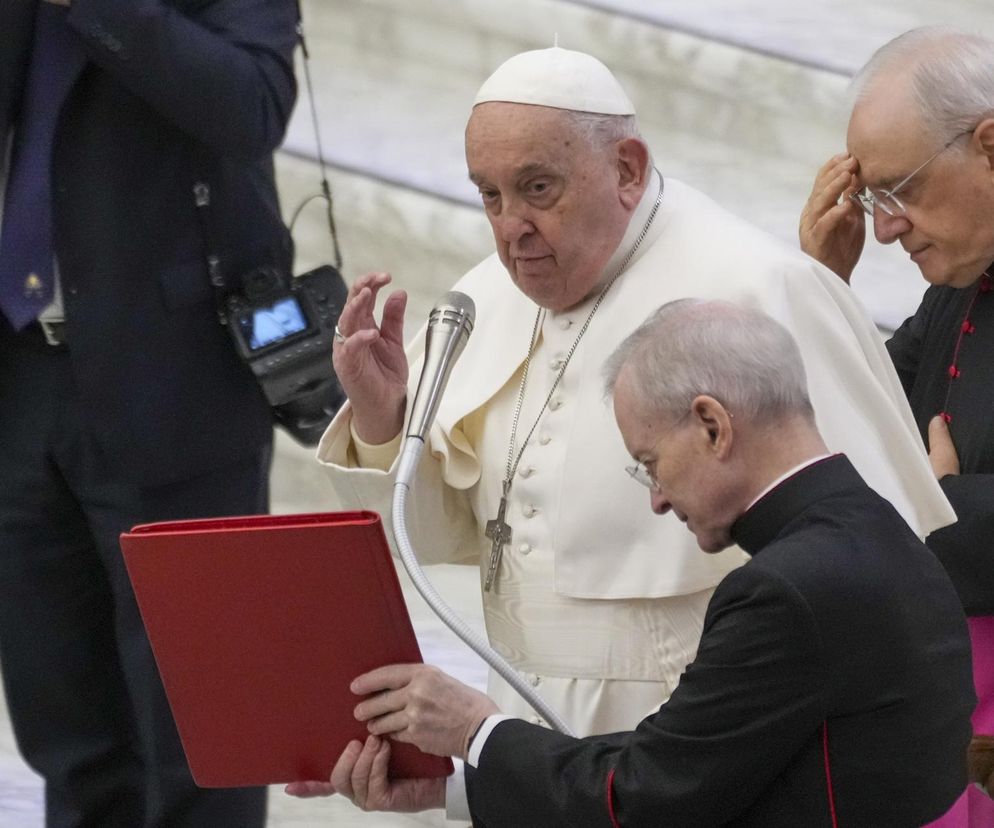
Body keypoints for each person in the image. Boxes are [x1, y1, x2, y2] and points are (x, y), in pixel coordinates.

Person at [319, 45, 953, 753]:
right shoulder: (482, 300)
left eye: (537, 188)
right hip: (521, 732)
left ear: (627, 169)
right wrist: (385, 419)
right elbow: (447, 538)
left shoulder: (757, 292)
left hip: (710, 739)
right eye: (489, 195)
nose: (510, 228)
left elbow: (870, 566)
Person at [293, 300, 976, 826]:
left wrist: (476, 728)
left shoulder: (787, 590)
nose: (655, 499)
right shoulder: (873, 526)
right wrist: (450, 787)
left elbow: (650, 799)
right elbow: (696, 761)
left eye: (650, 463)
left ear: (712, 425)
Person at [0, 0, 298, 824]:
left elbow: (254, 103)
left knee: (205, 741)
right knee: (69, 740)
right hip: (20, 378)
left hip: (174, 382)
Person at [799, 26, 994, 822]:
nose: (883, 229)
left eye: (899, 190)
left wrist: (946, 507)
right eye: (871, 198)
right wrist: (822, 285)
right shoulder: (959, 276)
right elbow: (858, 429)